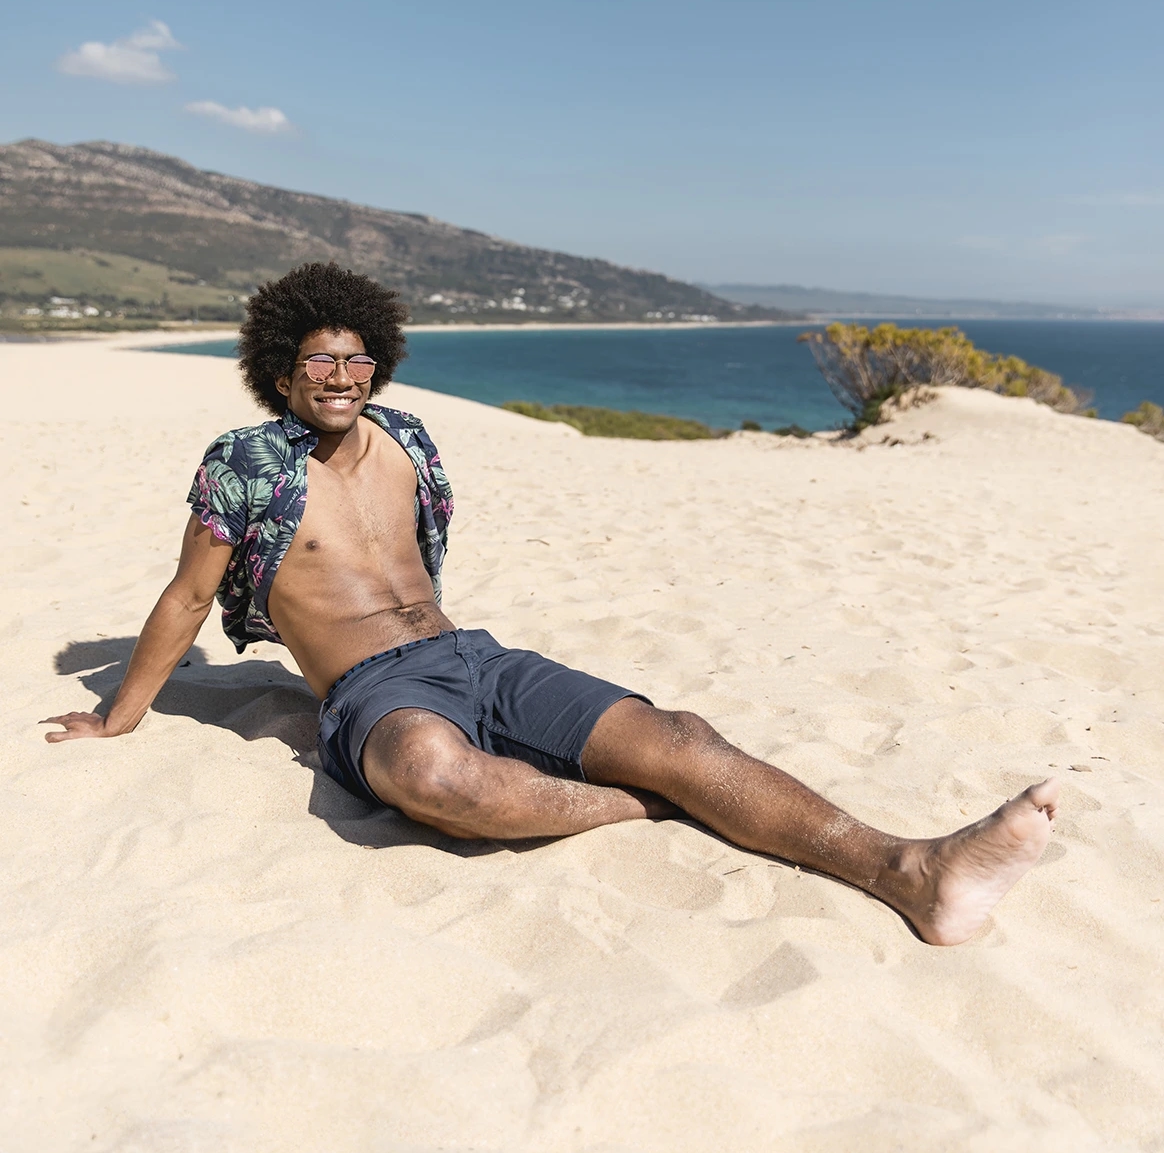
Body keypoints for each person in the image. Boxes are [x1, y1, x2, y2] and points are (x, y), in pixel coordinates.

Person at [44, 263, 1058, 945]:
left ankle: (909, 869)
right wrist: (115, 715)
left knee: (683, 734)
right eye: (319, 359)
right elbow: (186, 596)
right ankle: (640, 805)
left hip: (475, 658)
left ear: (380, 362)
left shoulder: (411, 443)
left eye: (357, 357)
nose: (341, 375)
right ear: (280, 372)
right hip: (371, 693)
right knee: (443, 779)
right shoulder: (244, 465)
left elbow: (426, 572)